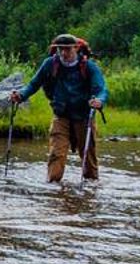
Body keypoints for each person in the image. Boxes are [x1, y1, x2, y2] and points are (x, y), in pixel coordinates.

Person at [9, 32, 107, 182]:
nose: (63, 52)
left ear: (76, 48)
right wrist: (21, 95)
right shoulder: (50, 64)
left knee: (88, 156)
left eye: (67, 49)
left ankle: (91, 189)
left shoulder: (88, 67)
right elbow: (34, 84)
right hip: (61, 115)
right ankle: (53, 187)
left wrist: (99, 100)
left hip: (84, 117)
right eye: (60, 49)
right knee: (56, 153)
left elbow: (101, 89)